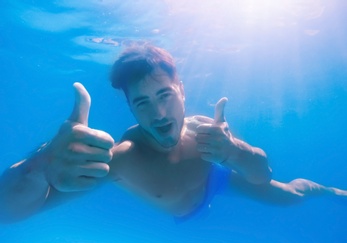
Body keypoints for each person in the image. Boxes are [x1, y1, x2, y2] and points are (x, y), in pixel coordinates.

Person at [0, 44, 346, 223]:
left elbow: (262, 175)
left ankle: (329, 190)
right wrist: (40, 165)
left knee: (291, 197)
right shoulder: (120, 160)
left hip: (217, 177)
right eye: (143, 102)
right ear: (132, 109)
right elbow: (9, 215)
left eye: (164, 95)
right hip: (186, 210)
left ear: (181, 89)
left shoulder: (206, 134)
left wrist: (234, 152)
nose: (159, 114)